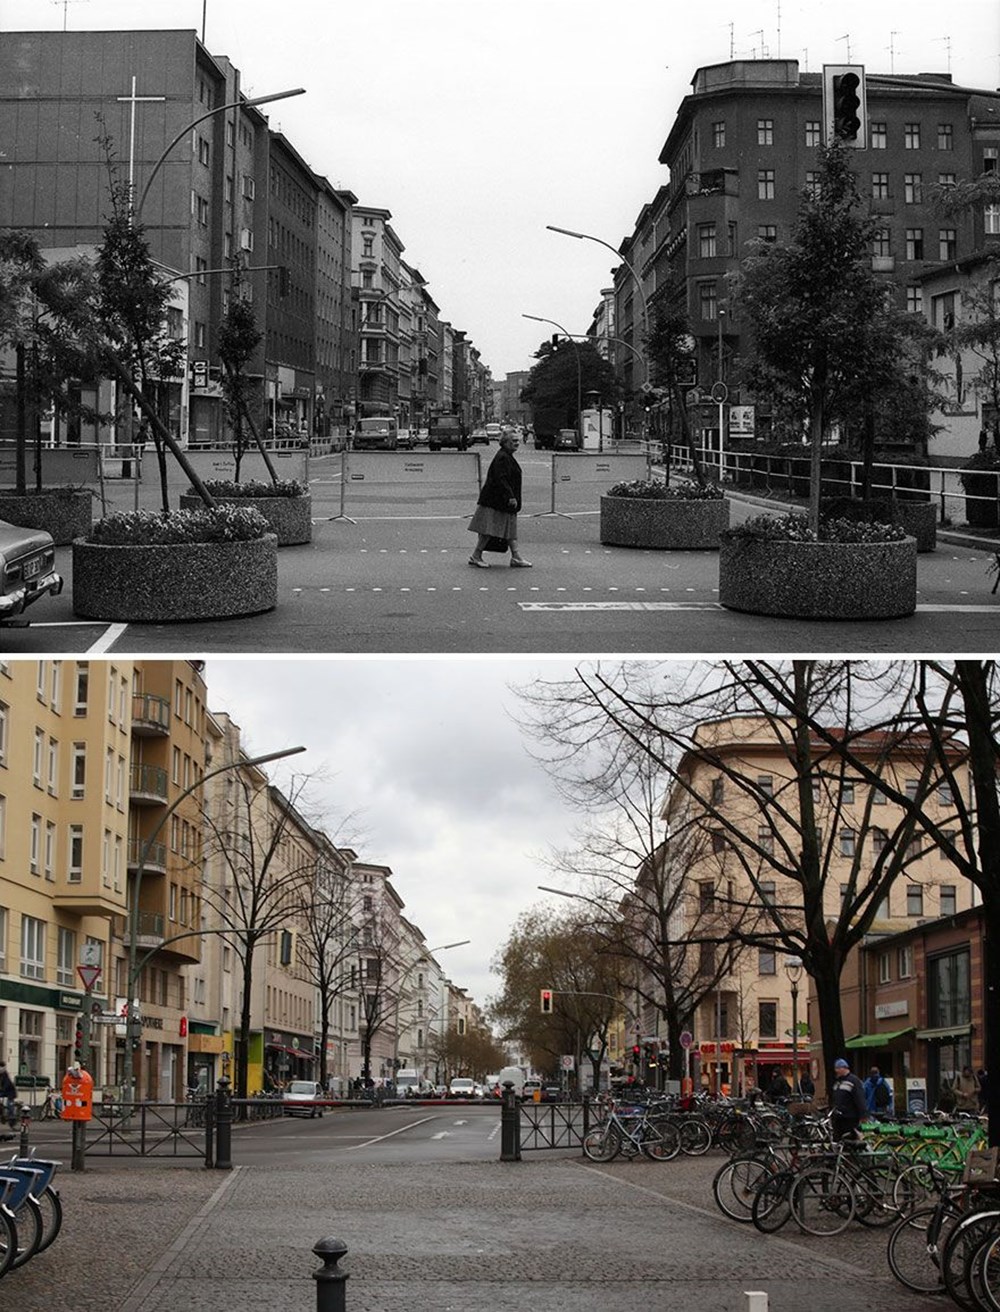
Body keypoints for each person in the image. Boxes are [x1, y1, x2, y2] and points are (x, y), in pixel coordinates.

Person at [467, 430, 531, 568]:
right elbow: (501, 479)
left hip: (500, 501)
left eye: (517, 441)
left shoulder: (506, 455)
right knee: (488, 530)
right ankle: (476, 556)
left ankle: (516, 557)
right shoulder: (503, 457)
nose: (517, 443)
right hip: (496, 501)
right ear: (505, 443)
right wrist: (510, 497)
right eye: (513, 441)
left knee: (509, 530)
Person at [829, 1057, 867, 1141]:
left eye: (838, 1068)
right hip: (838, 1118)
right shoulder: (837, 1082)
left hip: (850, 1117)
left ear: (844, 1068)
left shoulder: (854, 1081)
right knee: (838, 1139)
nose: (836, 1071)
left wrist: (863, 1115)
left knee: (850, 1140)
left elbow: (859, 1098)